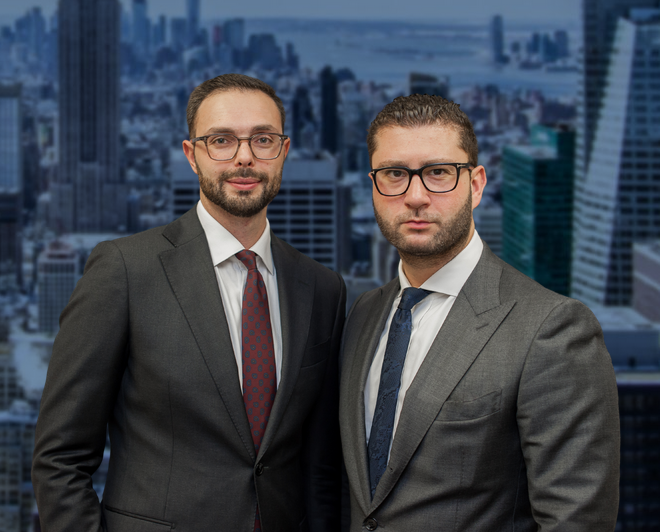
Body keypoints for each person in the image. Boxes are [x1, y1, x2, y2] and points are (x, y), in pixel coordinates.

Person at [32, 74, 346, 532]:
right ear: (191, 155)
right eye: (221, 140)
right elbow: (60, 457)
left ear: (284, 151)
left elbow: (321, 466)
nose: (244, 157)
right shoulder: (125, 270)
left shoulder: (321, 288)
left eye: (262, 140)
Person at [339, 94, 620, 531]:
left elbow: (576, 520)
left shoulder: (552, 329)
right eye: (395, 174)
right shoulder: (364, 313)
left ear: (476, 184)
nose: (415, 196)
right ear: (374, 185)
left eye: (438, 173)